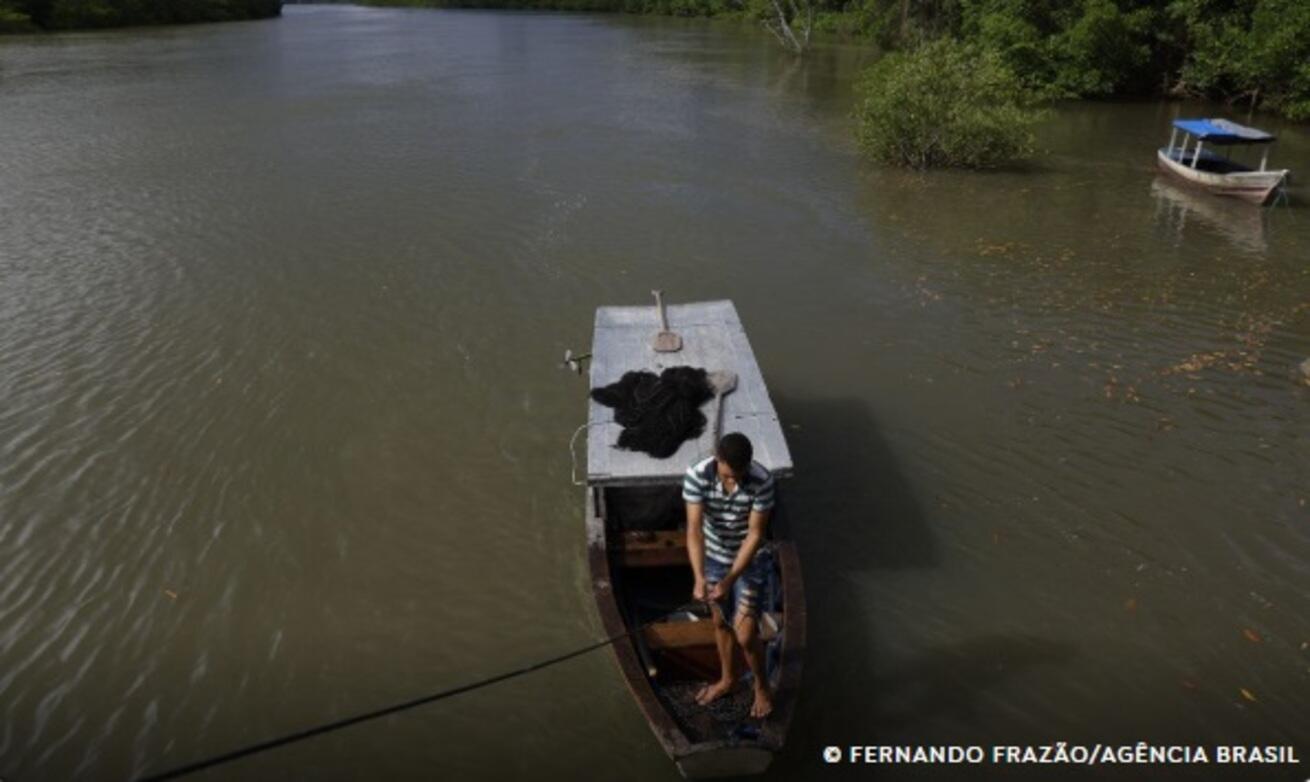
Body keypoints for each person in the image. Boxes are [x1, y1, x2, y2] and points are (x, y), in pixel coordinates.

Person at [682, 432, 776, 718]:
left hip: (749, 560)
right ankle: (728, 679)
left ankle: (762, 687)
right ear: (717, 459)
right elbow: (694, 529)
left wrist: (729, 580)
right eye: (728, 474)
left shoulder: (763, 480)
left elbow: (756, 534)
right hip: (713, 556)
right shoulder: (697, 476)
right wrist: (699, 578)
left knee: (746, 634)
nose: (734, 480)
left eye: (740, 474)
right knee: (720, 623)